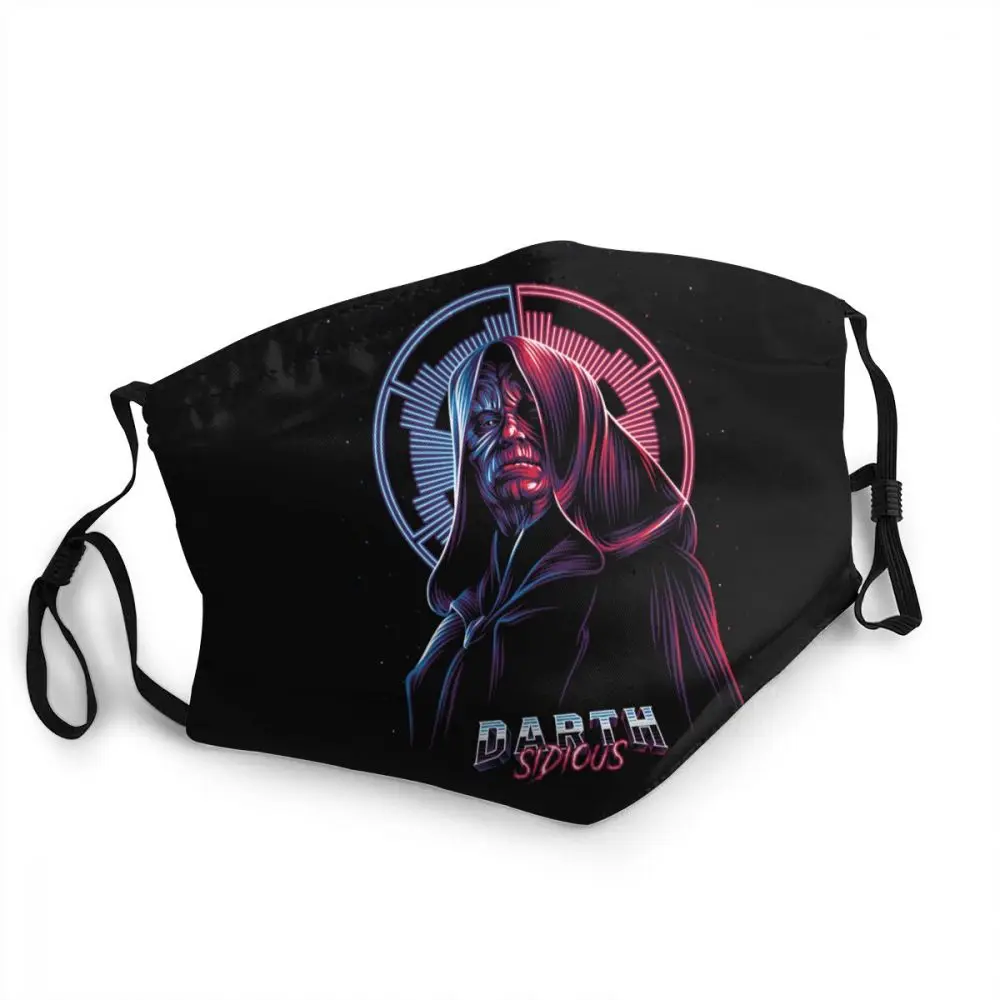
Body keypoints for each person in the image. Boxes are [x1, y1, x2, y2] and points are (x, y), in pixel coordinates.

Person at [405, 337, 741, 751]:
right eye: (485, 422)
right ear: (466, 453)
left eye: (531, 412)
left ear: (577, 428)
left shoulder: (657, 577)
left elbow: (715, 736)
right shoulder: (468, 610)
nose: (509, 433)